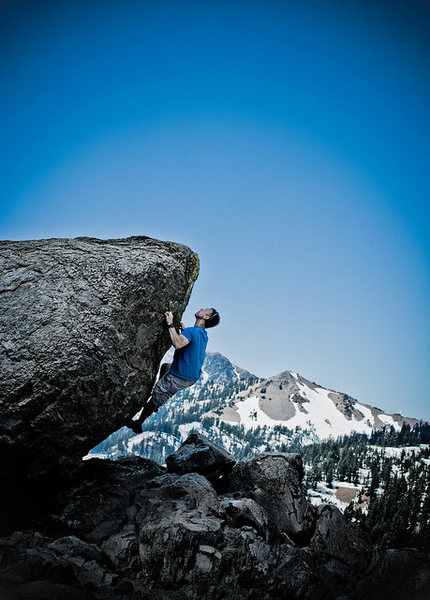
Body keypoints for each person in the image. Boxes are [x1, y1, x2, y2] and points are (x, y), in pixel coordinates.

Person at [125, 307, 220, 434]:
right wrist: (184, 331)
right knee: (165, 367)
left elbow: (178, 344)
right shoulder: (201, 334)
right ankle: (158, 400)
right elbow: (192, 342)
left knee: (156, 397)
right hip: (190, 376)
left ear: (206, 317)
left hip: (180, 376)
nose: (202, 308)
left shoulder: (192, 332)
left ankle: (139, 422)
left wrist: (170, 324)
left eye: (206, 310)